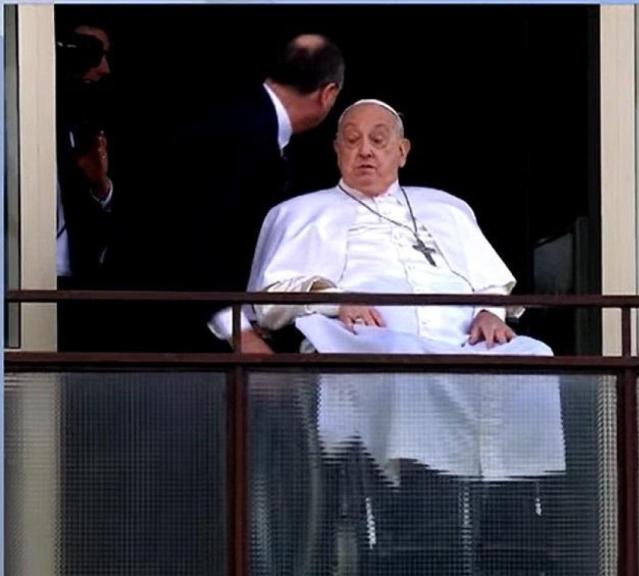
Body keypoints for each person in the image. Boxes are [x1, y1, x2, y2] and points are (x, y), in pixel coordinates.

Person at [246, 99, 565, 574]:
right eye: (352, 140)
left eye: (379, 139)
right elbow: (267, 301)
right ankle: (417, 507)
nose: (366, 151)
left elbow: (490, 283)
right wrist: (335, 298)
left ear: (403, 150)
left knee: (534, 354)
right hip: (364, 344)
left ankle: (513, 513)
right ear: (336, 151)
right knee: (401, 357)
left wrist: (489, 312)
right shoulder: (299, 213)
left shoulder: (447, 208)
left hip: (459, 346)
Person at [108, 33, 344, 353]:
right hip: (155, 327)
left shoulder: (250, 119)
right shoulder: (235, 133)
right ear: (328, 94)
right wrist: (237, 329)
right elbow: (191, 235)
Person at [56, 23, 117, 351]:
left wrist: (100, 186)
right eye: (91, 54)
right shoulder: (19, 112)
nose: (103, 68)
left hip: (81, 283)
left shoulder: (97, 124)